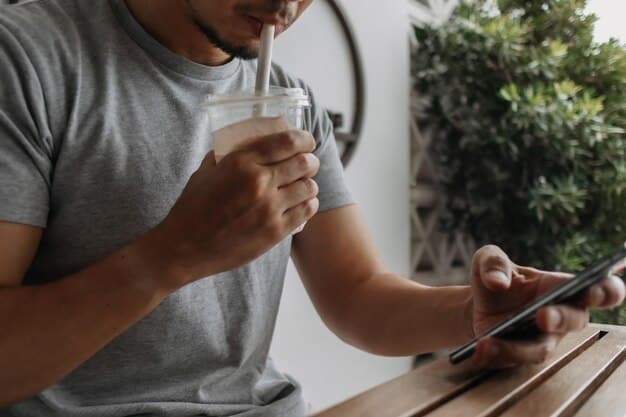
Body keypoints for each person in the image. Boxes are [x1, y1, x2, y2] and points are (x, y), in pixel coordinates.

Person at [0, 0, 623, 416]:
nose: (286, 4)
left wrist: (474, 312)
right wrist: (171, 256)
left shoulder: (291, 99)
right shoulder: (28, 58)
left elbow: (357, 294)